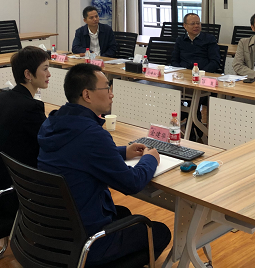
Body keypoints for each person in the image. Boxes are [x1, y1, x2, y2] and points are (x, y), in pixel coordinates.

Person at [37, 64, 170, 266]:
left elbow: (77, 153)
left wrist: (122, 151)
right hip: (87, 243)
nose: (111, 94)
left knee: (123, 213)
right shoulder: (92, 134)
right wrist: (150, 159)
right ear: (87, 95)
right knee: (159, 232)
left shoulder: (53, 122)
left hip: (55, 231)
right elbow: (132, 183)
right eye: (107, 88)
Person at [0, 46, 50, 193]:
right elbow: (49, 140)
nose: (49, 74)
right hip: (16, 185)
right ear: (28, 74)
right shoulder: (31, 106)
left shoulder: (4, 97)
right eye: (45, 69)